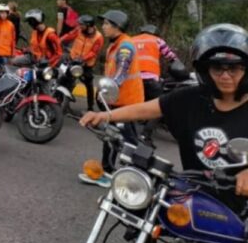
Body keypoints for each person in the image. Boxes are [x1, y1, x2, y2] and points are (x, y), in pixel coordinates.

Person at [81, 23, 248, 209]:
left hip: (241, 207)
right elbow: (147, 109)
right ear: (205, 71)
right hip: (194, 196)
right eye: (217, 68)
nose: (225, 76)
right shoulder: (191, 97)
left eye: (234, 69)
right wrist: (105, 116)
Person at [78, 9, 142, 187]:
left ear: (118, 27)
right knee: (111, 137)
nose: (103, 27)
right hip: (116, 101)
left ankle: (134, 177)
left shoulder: (125, 47)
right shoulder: (116, 45)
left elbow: (121, 73)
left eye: (107, 24)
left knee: (127, 141)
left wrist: (107, 89)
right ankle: (108, 171)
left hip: (126, 103)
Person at [132, 24, 182, 143]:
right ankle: (145, 134)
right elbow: (171, 57)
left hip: (134, 80)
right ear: (154, 32)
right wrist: (179, 68)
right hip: (151, 80)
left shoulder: (131, 40)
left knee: (132, 105)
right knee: (160, 108)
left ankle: (129, 132)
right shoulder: (157, 40)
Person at [60, 15, 104, 112]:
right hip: (73, 60)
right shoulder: (79, 30)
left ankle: (90, 107)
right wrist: (59, 40)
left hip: (86, 64)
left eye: (82, 25)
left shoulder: (98, 37)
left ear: (89, 26)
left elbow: (94, 52)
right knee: (67, 80)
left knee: (89, 84)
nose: (80, 26)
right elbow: (69, 35)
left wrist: (83, 59)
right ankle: (64, 103)